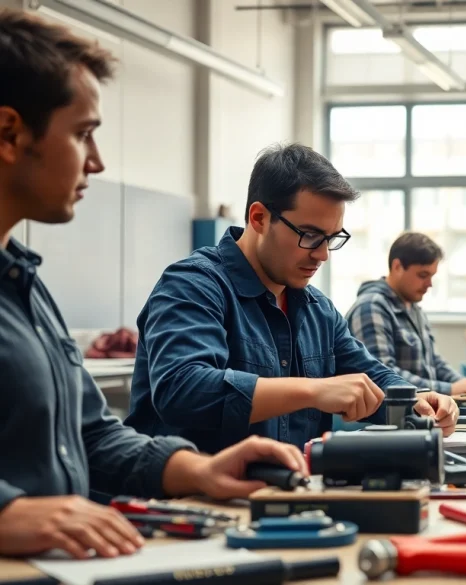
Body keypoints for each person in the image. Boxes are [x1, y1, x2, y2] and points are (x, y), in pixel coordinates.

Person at [0, 9, 307, 560]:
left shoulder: (24, 283)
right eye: (83, 134)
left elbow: (91, 434)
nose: (97, 162)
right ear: (9, 133)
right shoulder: (195, 283)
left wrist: (198, 469)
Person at [125, 145, 458, 454]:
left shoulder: (318, 311)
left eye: (332, 238)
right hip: (185, 506)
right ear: (259, 218)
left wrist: (415, 399)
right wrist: (313, 390)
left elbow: (370, 376)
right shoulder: (193, 285)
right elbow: (184, 390)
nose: (323, 255)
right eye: (310, 235)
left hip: (282, 499)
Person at [346, 233, 466, 397]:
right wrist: (447, 389)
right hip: (389, 417)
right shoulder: (372, 306)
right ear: (397, 267)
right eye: (423, 275)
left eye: (432, 276)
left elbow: (434, 361)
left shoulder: (415, 309)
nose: (429, 284)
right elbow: (381, 373)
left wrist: (464, 384)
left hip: (421, 410)